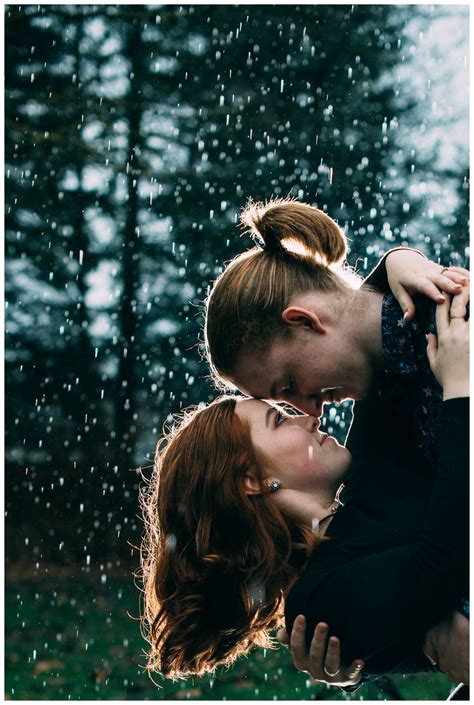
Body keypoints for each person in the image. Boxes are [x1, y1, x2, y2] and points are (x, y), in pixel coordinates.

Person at [202, 198, 469, 690]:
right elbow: (420, 565)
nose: (306, 409)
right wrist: (371, 647)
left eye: (288, 385)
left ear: (305, 321)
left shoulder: (456, 333)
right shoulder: (387, 394)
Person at [140, 293, 468, 689]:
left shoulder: (364, 479)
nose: (308, 418)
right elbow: (442, 562)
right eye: (279, 421)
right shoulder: (314, 605)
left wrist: (396, 262)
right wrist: (461, 391)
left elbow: (364, 339)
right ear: (253, 480)